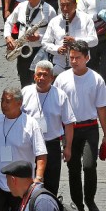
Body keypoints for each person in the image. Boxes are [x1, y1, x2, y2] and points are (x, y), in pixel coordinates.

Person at [52, 41, 106, 211]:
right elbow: (56, 107)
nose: (74, 61)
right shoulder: (61, 79)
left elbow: (102, 109)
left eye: (78, 58)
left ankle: (90, 200)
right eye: (71, 58)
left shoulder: (96, 79)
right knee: (73, 169)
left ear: (87, 57)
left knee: (89, 165)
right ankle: (78, 206)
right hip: (69, 130)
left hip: (90, 128)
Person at [20, 60, 75, 196]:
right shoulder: (25, 92)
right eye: (39, 74)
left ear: (52, 77)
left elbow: (68, 123)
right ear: (34, 76)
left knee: (51, 184)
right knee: (28, 181)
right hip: (29, 145)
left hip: (51, 144)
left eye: (45, 75)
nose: (41, 78)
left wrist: (67, 147)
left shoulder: (60, 95)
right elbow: (16, 117)